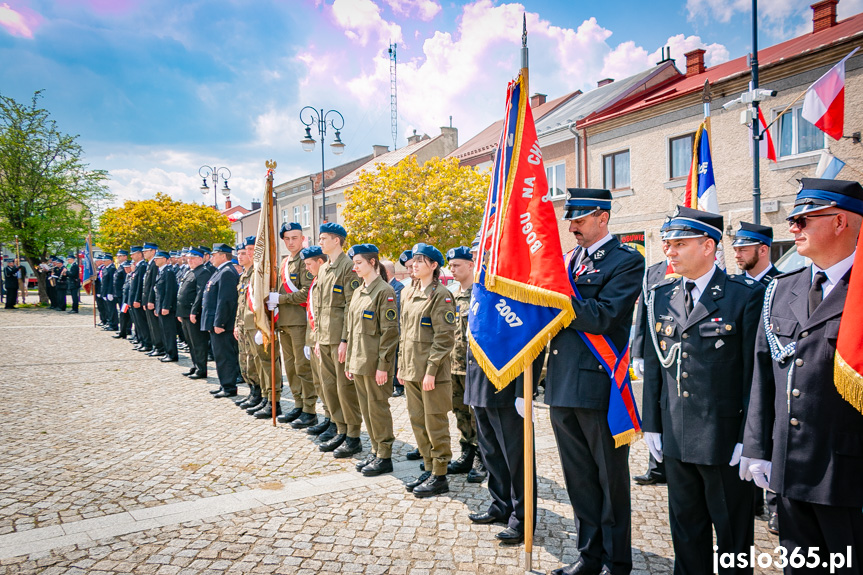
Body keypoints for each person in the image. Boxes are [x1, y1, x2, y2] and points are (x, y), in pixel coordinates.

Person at [743, 178, 863, 573]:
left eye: (803, 219)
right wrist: (758, 448)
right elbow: (763, 376)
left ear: (840, 222)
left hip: (845, 475)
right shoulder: (782, 289)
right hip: (789, 470)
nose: (792, 228)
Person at [643, 206, 763, 575]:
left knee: (732, 539)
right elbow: (654, 367)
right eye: (667, 244)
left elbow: (755, 375)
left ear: (708, 246)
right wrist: (652, 424)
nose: (670, 252)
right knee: (686, 531)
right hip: (677, 436)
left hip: (725, 441)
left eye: (679, 243)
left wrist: (751, 440)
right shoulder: (661, 294)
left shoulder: (744, 295)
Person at [545, 188, 644, 575]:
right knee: (580, 480)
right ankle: (589, 557)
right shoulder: (568, 261)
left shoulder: (625, 261)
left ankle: (617, 561)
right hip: (561, 384)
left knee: (609, 479)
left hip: (599, 386)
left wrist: (556, 299)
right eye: (571, 220)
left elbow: (603, 316)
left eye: (580, 220)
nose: (572, 227)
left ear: (603, 218)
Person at [730, 220, 781, 533]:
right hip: (741, 377)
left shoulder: (782, 283)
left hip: (773, 376)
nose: (737, 253)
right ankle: (750, 501)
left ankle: (776, 505)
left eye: (743, 247)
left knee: (774, 443)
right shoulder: (734, 287)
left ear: (763, 249)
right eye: (734, 247)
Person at [399, 242, 456, 498]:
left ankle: (440, 474)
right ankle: (429, 466)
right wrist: (401, 366)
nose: (414, 264)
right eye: (413, 260)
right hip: (411, 370)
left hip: (430, 373)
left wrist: (432, 370)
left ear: (433, 266)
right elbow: (404, 336)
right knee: (418, 422)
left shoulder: (441, 295)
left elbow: (444, 338)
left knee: (435, 422)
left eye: (420, 261)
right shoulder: (409, 293)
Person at [345, 244, 399, 476]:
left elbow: (389, 333)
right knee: (366, 409)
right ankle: (376, 450)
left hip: (375, 363)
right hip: (358, 361)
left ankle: (385, 455)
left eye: (359, 263)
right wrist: (349, 361)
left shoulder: (384, 291)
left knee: (378, 409)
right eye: (354, 263)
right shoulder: (359, 291)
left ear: (373, 263)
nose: (355, 267)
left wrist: (383, 366)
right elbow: (351, 331)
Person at [314, 223, 363, 457]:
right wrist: (316, 338)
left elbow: (350, 308)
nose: (320, 242)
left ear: (337, 240)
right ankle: (340, 429)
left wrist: (345, 339)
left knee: (345, 389)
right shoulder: (324, 269)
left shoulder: (348, 267)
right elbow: (319, 306)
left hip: (339, 338)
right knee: (329, 387)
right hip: (323, 337)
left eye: (324, 238)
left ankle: (353, 435)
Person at [631, 219, 674, 488]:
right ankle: (656, 467)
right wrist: (638, 351)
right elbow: (643, 314)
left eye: (675, 241)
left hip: (681, 353)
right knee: (654, 407)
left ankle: (676, 464)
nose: (668, 246)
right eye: (666, 241)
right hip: (655, 351)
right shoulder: (653, 272)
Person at [268, 222, 316, 428]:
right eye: (287, 239)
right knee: (290, 368)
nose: (290, 242)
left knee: (302, 367)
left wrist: (282, 299)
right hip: (284, 322)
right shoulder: (285, 262)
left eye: (294, 238)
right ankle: (298, 403)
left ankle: (310, 409)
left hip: (299, 322)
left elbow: (308, 292)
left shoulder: (307, 261)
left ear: (302, 238)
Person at [445, 246, 479, 475]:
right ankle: (466, 451)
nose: (452, 269)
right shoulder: (451, 296)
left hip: (474, 368)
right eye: (451, 265)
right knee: (460, 412)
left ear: (470, 264)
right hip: (453, 366)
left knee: (477, 415)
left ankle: (482, 457)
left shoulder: (480, 295)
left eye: (457, 265)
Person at [300, 246, 334, 438]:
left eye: (309, 264)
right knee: (319, 382)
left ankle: (334, 420)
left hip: (323, 339)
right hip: (313, 338)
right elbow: (310, 313)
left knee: (327, 383)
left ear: (320, 262)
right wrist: (308, 340)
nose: (307, 268)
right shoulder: (315, 281)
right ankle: (328, 417)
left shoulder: (324, 281)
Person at [201, 243, 240, 398]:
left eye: (214, 255)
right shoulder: (221, 271)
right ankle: (224, 383)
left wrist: (219, 323)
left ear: (223, 255)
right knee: (220, 355)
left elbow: (225, 301)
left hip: (222, 324)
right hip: (216, 322)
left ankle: (229, 387)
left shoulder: (227, 272)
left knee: (225, 356)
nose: (211, 258)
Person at [178, 247, 213, 380]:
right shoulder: (190, 271)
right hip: (185, 312)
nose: (190, 261)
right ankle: (195, 365)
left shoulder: (203, 272)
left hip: (193, 313)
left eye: (193, 259)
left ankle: (201, 369)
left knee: (198, 342)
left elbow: (200, 294)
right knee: (190, 342)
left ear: (200, 259)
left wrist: (194, 311)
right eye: (188, 259)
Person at [383, 259, 405, 400]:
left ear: (386, 272)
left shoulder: (398, 287)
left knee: (397, 358)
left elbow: (395, 308)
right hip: (389, 329)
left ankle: (399, 386)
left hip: (397, 329)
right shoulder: (386, 287)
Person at [153, 250, 179, 362]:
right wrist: (157, 306)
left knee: (169, 331)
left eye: (157, 258)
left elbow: (170, 291)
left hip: (166, 307)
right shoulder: (161, 271)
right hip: (161, 305)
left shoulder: (168, 271)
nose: (155, 260)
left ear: (164, 259)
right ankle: (167, 352)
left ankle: (172, 354)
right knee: (163, 330)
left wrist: (166, 307)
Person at [141, 243, 164, 356]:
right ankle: (155, 346)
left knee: (155, 326)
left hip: (152, 300)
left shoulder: (155, 265)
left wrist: (150, 300)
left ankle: (159, 347)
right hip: (147, 299)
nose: (144, 253)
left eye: (146, 251)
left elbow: (153, 285)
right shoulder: (149, 264)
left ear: (153, 251)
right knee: (151, 325)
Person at [129, 246, 152, 352]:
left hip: (137, 299)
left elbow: (140, 285)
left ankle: (146, 343)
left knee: (142, 323)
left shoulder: (142, 266)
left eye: (133, 254)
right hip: (134, 298)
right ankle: (142, 341)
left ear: (139, 254)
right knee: (138, 323)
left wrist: (137, 299)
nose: (132, 256)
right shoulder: (137, 266)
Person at [100, 253, 118, 331]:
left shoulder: (112, 268)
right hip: (105, 292)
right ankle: (109, 322)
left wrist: (110, 292)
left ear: (110, 261)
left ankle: (113, 324)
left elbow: (111, 282)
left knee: (112, 309)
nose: (103, 262)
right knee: (108, 309)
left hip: (109, 292)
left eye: (105, 260)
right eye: (103, 260)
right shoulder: (105, 268)